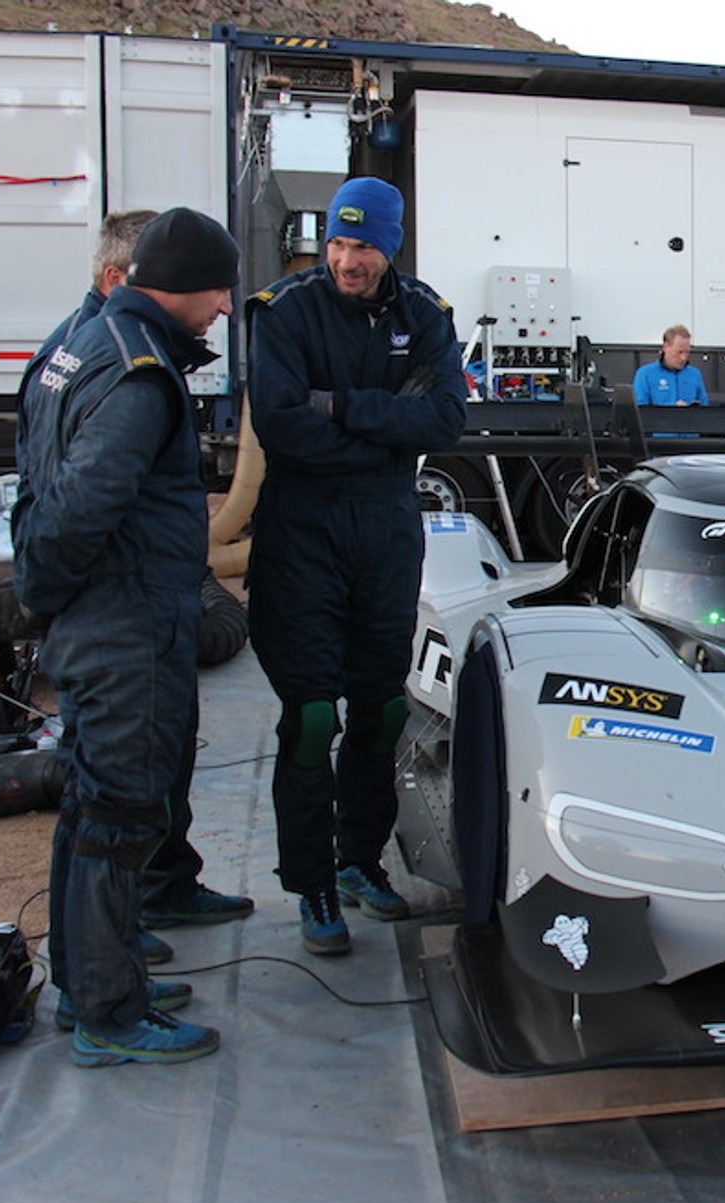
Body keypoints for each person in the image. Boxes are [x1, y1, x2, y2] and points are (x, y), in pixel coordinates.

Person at [15, 206, 238, 1066]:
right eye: (217, 290)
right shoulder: (141, 378)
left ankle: (85, 979)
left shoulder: (81, 343)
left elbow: (38, 473)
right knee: (117, 813)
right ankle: (111, 1007)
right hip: (124, 624)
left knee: (87, 802)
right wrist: (44, 593)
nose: (223, 308)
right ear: (180, 286)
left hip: (99, 617)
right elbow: (80, 506)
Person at [246, 176, 467, 955]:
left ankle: (357, 861)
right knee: (311, 717)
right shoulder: (285, 311)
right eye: (337, 243)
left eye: (364, 245)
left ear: (391, 245)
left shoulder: (424, 314)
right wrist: (386, 423)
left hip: (385, 529)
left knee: (382, 710)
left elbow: (446, 418)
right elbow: (278, 424)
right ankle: (311, 885)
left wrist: (337, 404)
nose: (347, 259)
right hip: (302, 532)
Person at [632, 325, 709, 407]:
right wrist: (673, 409)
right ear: (665, 347)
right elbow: (640, 410)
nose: (683, 358)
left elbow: (705, 409)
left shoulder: (695, 374)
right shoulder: (645, 374)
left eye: (687, 352)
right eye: (679, 352)